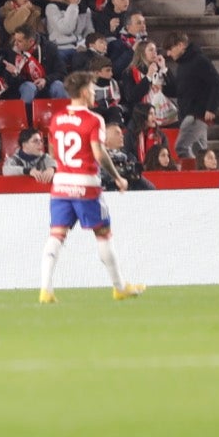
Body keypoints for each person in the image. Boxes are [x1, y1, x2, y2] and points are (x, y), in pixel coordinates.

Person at [38, 71, 145, 304]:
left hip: (61, 184)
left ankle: (46, 289)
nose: (95, 93)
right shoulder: (93, 120)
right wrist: (117, 177)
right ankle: (119, 287)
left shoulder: (57, 119)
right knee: (103, 234)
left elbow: (54, 152)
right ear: (85, 92)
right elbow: (99, 153)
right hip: (86, 185)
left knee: (56, 235)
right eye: (94, 88)